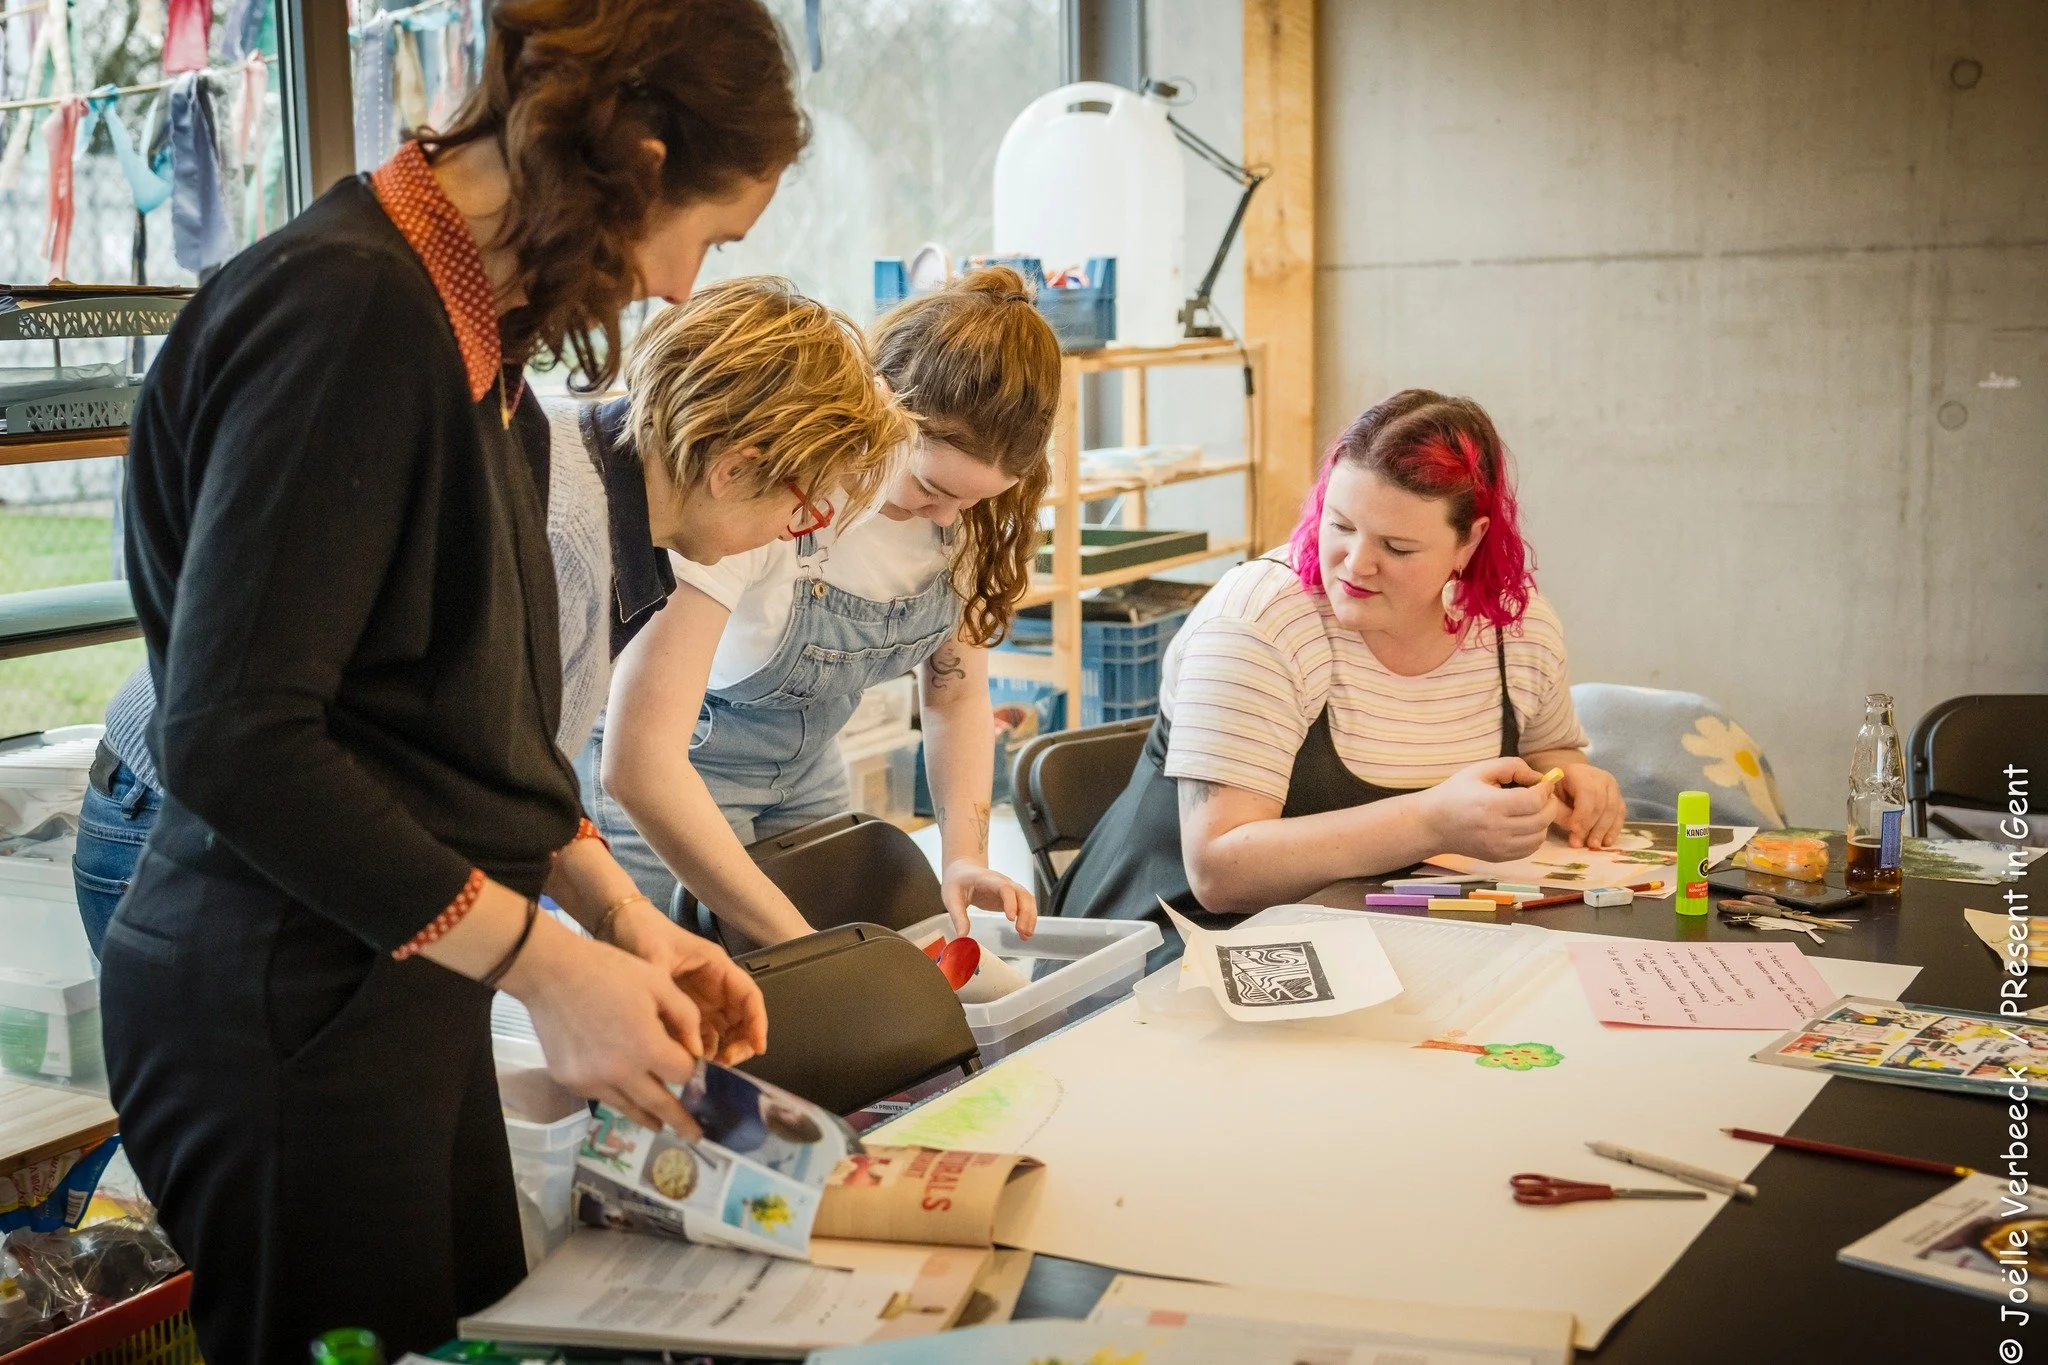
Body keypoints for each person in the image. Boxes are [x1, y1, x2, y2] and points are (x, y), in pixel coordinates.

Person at [100, 3, 806, 1357]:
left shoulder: (490, 370)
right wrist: (549, 965)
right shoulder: (349, 312)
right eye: (709, 240)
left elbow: (455, 734)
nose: (677, 292)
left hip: (391, 988)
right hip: (284, 1006)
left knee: (477, 1326)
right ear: (642, 162)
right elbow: (239, 738)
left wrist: (616, 920)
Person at [73, 276, 906, 960]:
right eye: (803, 512)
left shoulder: (614, 492)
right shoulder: (565, 537)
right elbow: (466, 792)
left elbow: (512, 776)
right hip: (179, 810)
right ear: (733, 469)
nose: (794, 535)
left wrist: (624, 921)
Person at [591, 266, 1061, 945]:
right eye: (932, 487)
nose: (950, 515)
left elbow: (957, 695)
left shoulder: (963, 524)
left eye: (976, 500)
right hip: (679, 769)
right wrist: (798, 940)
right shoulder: (772, 495)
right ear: (882, 404)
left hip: (806, 770)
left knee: (815, 1010)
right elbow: (642, 759)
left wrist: (965, 856)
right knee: (686, 1006)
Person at [1053, 389, 1626, 925]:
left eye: (1397, 547)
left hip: (1371, 926)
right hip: (1178, 940)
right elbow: (1219, 870)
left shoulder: (1513, 626)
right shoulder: (1260, 621)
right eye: (1340, 525)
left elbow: (1547, 750)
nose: (1355, 565)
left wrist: (1575, 778)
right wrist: (1431, 822)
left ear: (1469, 543)